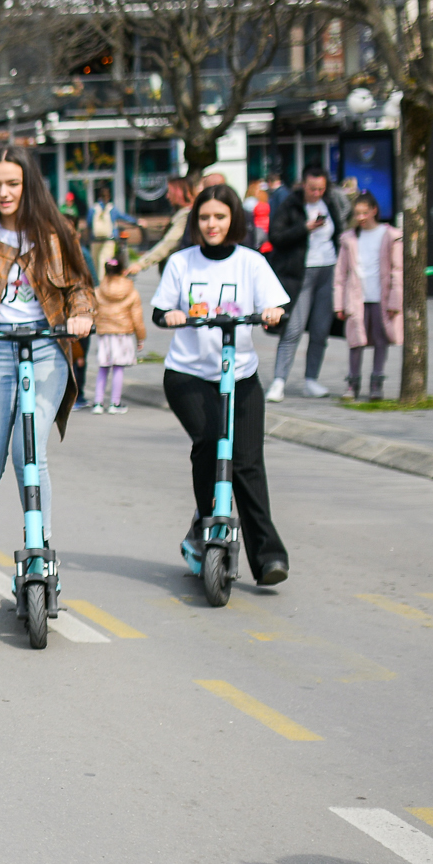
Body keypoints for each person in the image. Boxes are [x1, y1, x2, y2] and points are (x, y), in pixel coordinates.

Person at [0, 146, 93, 620]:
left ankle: (42, 557)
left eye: (13, 183)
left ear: (29, 183)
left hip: (46, 349)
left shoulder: (56, 231)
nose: (4, 193)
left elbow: (81, 288)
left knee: (29, 454)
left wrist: (83, 315)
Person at [153, 184, 289, 586]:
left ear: (233, 220)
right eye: (205, 217)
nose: (212, 225)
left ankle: (268, 558)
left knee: (246, 462)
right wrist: (172, 316)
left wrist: (272, 313)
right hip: (189, 375)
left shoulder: (250, 263)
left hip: (240, 375)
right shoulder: (182, 263)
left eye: (220, 217)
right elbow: (161, 309)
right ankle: (207, 523)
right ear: (196, 221)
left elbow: (279, 304)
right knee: (211, 442)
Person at [265, 165, 342, 400]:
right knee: (293, 328)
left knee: (320, 329)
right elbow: (275, 237)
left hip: (327, 269)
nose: (316, 193)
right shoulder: (290, 204)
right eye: (312, 188)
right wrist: (305, 228)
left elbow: (338, 232)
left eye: (321, 189)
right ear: (303, 185)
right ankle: (278, 381)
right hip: (300, 273)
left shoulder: (329, 203)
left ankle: (311, 380)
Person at [335, 193, 401, 400]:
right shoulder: (349, 239)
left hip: (381, 297)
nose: (361, 217)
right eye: (357, 213)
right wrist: (339, 304)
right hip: (357, 297)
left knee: (381, 340)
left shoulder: (389, 235)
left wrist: (394, 300)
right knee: (356, 341)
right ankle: (352, 384)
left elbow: (398, 270)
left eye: (365, 212)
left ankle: (376, 383)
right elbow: (340, 274)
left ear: (374, 210)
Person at [88, 254, 146, 413]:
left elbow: (92, 312)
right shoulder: (131, 291)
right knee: (118, 368)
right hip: (123, 333)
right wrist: (140, 338)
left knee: (103, 367)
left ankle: (98, 403)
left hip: (104, 333)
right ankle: (115, 403)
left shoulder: (98, 291)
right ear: (123, 270)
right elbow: (137, 318)